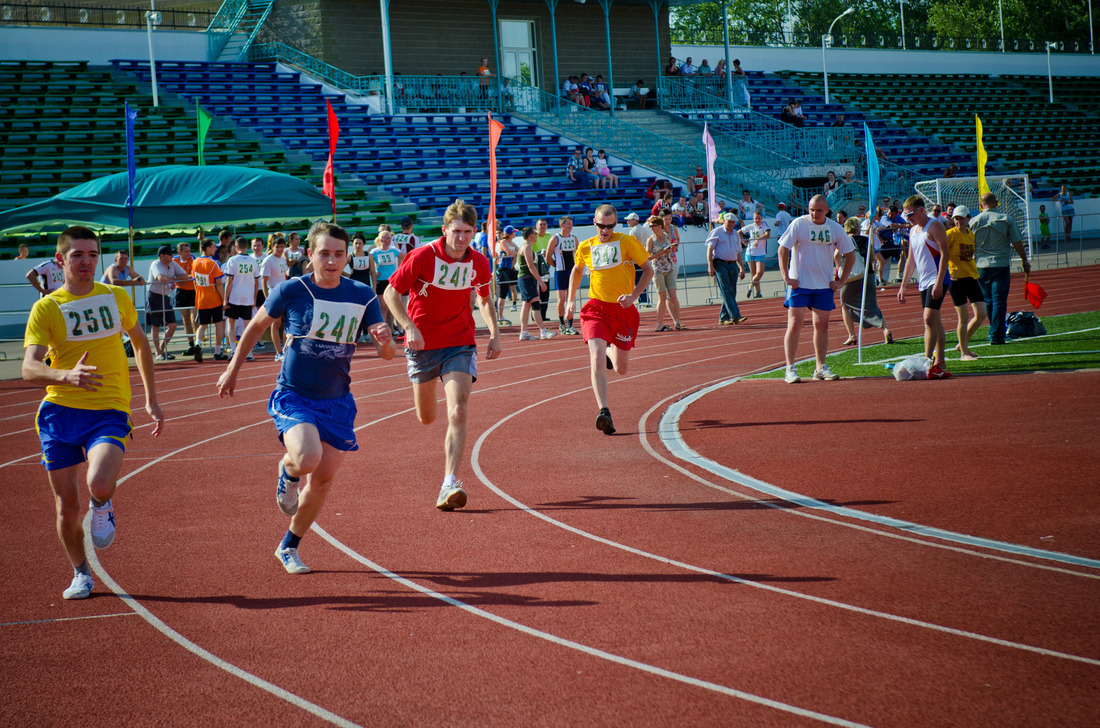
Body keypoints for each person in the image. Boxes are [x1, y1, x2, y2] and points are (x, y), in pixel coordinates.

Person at [217, 222, 394, 574]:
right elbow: (254, 327)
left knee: (324, 480)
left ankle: (289, 546)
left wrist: (385, 339)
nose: (331, 261)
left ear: (348, 257)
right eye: (324, 253)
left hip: (337, 401)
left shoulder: (363, 295)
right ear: (309, 254)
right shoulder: (291, 289)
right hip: (294, 396)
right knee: (307, 458)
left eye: (339, 254)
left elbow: (385, 354)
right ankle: (288, 470)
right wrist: (232, 369)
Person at [23, 226, 163, 599]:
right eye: (77, 255)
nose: (86, 261)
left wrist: (150, 398)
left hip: (109, 408)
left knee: (98, 482)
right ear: (60, 260)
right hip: (59, 413)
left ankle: (102, 504)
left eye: (91, 254)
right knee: (67, 508)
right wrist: (64, 375)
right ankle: (81, 573)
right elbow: (29, 368)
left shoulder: (116, 297)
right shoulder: (46, 308)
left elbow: (140, 343)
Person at [384, 200, 501, 511]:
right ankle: (429, 388)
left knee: (458, 412)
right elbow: (391, 292)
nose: (461, 238)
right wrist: (408, 326)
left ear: (474, 232)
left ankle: (449, 482)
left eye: (467, 232)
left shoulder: (478, 262)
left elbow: (485, 300)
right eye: (456, 231)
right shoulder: (423, 256)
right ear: (444, 230)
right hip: (421, 344)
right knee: (427, 417)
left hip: (459, 342)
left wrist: (495, 333)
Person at [566, 204, 653, 435]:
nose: (605, 230)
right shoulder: (586, 246)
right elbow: (576, 270)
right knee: (595, 360)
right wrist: (570, 300)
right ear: (594, 223)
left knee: (621, 370)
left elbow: (648, 269)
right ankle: (604, 411)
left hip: (623, 311)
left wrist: (634, 295)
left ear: (616, 224)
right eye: (601, 226)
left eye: (611, 226)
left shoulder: (626, 242)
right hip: (596, 310)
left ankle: (608, 350)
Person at [777, 194, 856, 383]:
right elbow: (783, 249)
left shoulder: (835, 228)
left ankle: (820, 367)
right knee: (795, 324)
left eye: (819, 210)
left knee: (821, 325)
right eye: (811, 209)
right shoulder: (798, 224)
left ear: (827, 210)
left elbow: (850, 255)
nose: (814, 213)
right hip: (800, 284)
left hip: (823, 285)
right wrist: (786, 277)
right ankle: (790, 368)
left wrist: (841, 281)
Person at [896, 196, 952, 378]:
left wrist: (938, 282)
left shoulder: (934, 226)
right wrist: (903, 286)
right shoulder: (913, 231)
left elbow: (945, 254)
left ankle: (926, 362)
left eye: (910, 214)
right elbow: (911, 260)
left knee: (928, 318)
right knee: (935, 321)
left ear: (921, 210)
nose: (908, 218)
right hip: (923, 281)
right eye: (905, 215)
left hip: (937, 279)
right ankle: (939, 362)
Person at [971, 192, 1030, 345]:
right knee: (999, 300)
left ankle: (994, 330)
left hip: (981, 265)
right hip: (1000, 263)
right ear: (996, 203)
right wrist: (1024, 260)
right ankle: (997, 334)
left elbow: (968, 244)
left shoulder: (973, 221)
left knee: (989, 300)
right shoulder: (1005, 219)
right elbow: (1017, 242)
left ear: (980, 205)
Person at [837, 216, 892, 346]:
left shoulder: (845, 240)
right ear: (858, 228)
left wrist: (840, 268)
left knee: (845, 304)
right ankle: (885, 330)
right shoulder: (867, 240)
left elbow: (836, 256)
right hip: (868, 275)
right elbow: (873, 258)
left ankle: (851, 335)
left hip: (851, 277)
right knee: (872, 305)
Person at [944, 205, 986, 361]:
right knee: (963, 317)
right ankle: (964, 352)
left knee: (981, 314)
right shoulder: (950, 234)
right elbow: (942, 254)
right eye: (956, 218)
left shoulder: (971, 235)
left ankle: (963, 344)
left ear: (968, 218)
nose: (958, 221)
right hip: (956, 279)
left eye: (961, 218)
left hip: (971, 276)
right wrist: (947, 273)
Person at [147, 245, 190, 361]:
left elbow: (185, 275)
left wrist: (172, 279)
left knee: (173, 325)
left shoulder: (173, 264)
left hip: (165, 297)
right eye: (170, 254)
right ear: (162, 256)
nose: (172, 256)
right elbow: (160, 277)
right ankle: (158, 352)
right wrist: (173, 279)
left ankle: (162, 349)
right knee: (155, 326)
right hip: (154, 296)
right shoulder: (156, 264)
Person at [514, 227, 558, 342]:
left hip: (528, 279)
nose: (537, 235)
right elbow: (530, 266)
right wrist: (540, 281)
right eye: (534, 233)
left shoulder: (529, 248)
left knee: (527, 304)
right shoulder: (526, 247)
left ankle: (524, 332)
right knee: (535, 303)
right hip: (526, 278)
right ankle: (542, 330)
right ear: (530, 235)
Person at [705, 212, 748, 325]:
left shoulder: (735, 234)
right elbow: (709, 249)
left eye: (733, 222)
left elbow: (738, 252)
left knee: (731, 291)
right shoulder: (717, 232)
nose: (731, 224)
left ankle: (723, 317)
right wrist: (710, 266)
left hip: (733, 264)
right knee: (726, 290)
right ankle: (735, 316)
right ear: (724, 221)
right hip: (720, 264)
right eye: (729, 222)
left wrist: (741, 268)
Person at [224, 236, 261, 362]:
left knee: (231, 323)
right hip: (248, 297)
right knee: (247, 325)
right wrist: (254, 298)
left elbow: (229, 281)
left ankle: (234, 349)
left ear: (236, 247)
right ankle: (249, 352)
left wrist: (225, 299)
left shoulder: (232, 260)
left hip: (234, 296)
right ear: (247, 247)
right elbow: (257, 281)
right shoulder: (253, 261)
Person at [191, 238, 228, 362]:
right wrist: (224, 300)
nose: (216, 249)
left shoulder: (194, 262)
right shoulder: (214, 263)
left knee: (202, 325)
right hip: (214, 299)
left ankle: (198, 344)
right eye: (213, 247)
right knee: (219, 324)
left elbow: (195, 282)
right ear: (207, 248)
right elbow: (218, 284)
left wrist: (198, 295)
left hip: (201, 298)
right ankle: (217, 352)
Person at [645, 215, 683, 331]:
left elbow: (671, 247)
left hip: (669, 268)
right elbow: (648, 257)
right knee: (662, 298)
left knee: (673, 296)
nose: (651, 228)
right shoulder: (651, 240)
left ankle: (678, 322)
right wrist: (662, 252)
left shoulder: (666, 236)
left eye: (654, 226)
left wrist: (672, 248)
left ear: (660, 226)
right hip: (658, 271)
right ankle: (659, 323)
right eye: (650, 226)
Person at [545, 216, 580, 335]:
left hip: (572, 272)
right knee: (561, 300)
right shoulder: (555, 239)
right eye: (568, 224)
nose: (571, 226)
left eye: (571, 223)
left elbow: (577, 254)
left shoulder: (574, 238)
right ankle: (561, 323)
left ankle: (570, 325)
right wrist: (556, 265)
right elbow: (548, 256)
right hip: (560, 272)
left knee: (571, 299)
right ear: (562, 225)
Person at [261, 236, 290, 360]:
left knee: (287, 322)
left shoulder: (283, 259)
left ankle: (286, 350)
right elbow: (264, 280)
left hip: (284, 292)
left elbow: (284, 276)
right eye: (277, 247)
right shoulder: (268, 260)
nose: (279, 249)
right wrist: (267, 298)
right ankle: (278, 352)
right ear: (272, 247)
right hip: (274, 293)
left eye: (281, 247)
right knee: (276, 322)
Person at [173, 242, 199, 357]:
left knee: (194, 319)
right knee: (185, 321)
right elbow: (171, 276)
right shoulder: (174, 261)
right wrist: (181, 278)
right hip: (181, 292)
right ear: (180, 252)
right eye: (186, 251)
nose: (189, 253)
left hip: (192, 291)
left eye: (189, 251)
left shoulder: (193, 259)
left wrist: (179, 278)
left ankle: (198, 344)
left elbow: (193, 275)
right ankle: (191, 344)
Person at [740, 210, 770, 299]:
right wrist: (744, 242)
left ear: (762, 218)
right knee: (754, 273)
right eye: (756, 218)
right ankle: (758, 292)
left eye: (759, 218)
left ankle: (750, 286)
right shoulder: (750, 226)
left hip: (760, 252)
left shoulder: (764, 225)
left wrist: (758, 239)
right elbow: (739, 232)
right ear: (753, 218)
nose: (757, 220)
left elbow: (767, 235)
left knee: (760, 272)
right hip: (750, 251)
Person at [494, 226, 519, 323]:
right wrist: (515, 253)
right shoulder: (503, 242)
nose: (515, 233)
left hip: (509, 269)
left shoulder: (512, 243)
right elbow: (510, 253)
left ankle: (513, 305)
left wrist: (515, 253)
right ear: (508, 234)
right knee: (503, 293)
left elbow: (519, 251)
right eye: (513, 232)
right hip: (503, 268)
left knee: (513, 287)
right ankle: (500, 316)